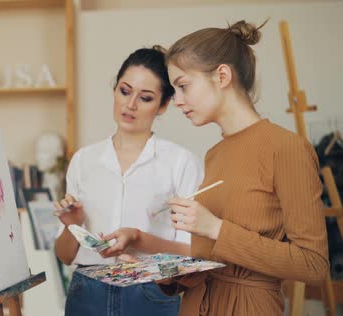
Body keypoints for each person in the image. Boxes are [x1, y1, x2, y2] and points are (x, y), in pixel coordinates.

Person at [162, 20, 329, 315]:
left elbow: (313, 264)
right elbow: (219, 256)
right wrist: (176, 275)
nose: (177, 101)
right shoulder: (214, 154)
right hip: (196, 304)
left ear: (222, 75)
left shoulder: (286, 148)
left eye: (183, 86)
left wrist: (215, 228)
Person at [54, 47, 203, 315]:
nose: (130, 104)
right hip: (87, 291)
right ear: (114, 89)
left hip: (149, 290)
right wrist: (72, 226)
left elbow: (191, 252)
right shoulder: (83, 160)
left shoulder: (181, 162)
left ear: (164, 105)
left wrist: (139, 239)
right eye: (124, 91)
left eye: (145, 98)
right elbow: (65, 255)